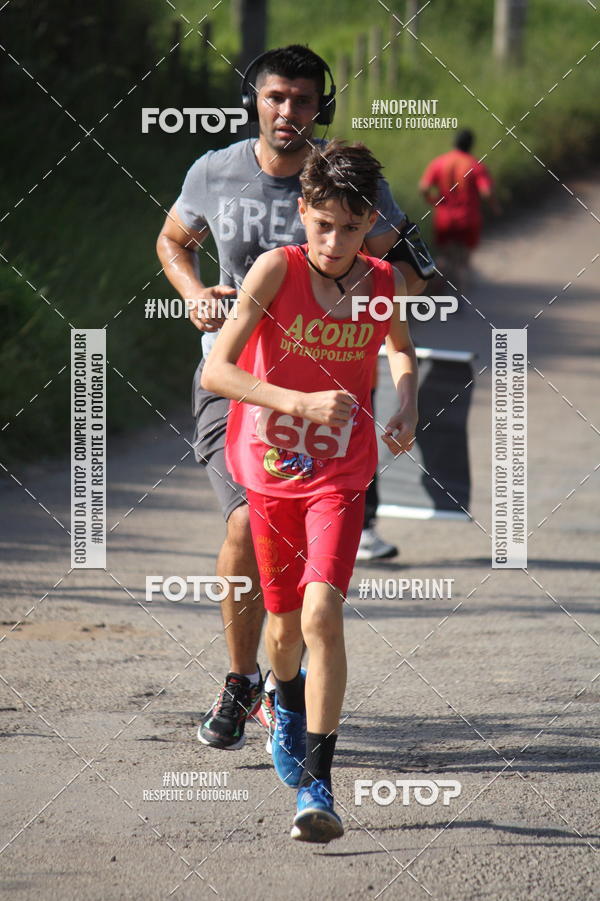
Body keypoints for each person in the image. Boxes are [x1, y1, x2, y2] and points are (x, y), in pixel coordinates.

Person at [156, 44, 426, 753]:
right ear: (255, 100)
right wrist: (194, 293)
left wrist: (377, 302)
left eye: (303, 100)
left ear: (320, 107)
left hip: (328, 393)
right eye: (275, 97)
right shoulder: (214, 171)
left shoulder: (343, 180)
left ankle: (288, 673)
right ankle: (242, 679)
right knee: (245, 523)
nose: (287, 112)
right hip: (235, 379)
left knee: (308, 575)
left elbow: (405, 270)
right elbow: (173, 240)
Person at [201, 139, 419, 842]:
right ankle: (284, 698)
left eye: (350, 228)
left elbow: (400, 347)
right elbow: (216, 372)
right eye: (323, 224)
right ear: (303, 212)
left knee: (323, 613)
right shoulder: (276, 269)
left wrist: (406, 402)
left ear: (370, 225)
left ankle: (318, 787)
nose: (334, 241)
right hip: (270, 471)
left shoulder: (383, 282)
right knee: (283, 628)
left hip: (340, 473)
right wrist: (295, 402)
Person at [419, 128, 498, 294]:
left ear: (454, 143)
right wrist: (493, 206)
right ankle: (460, 296)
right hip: (468, 219)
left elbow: (424, 187)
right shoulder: (476, 165)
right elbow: (486, 192)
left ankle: (434, 290)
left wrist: (433, 201)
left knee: (443, 256)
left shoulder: (439, 162)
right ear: (471, 145)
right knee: (463, 260)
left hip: (444, 218)